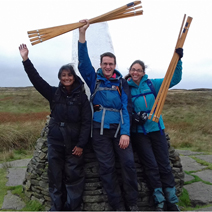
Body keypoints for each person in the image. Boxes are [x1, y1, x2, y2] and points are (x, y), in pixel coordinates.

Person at [19, 44, 92, 211]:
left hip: (74, 145)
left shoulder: (82, 98)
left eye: (69, 75)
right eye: (63, 75)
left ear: (74, 77)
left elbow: (86, 123)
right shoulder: (53, 93)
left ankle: (72, 207)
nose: (66, 78)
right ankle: (56, 208)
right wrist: (25, 59)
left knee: (74, 177)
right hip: (56, 142)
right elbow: (36, 80)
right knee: (55, 176)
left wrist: (81, 145)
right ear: (60, 78)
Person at [77, 20, 139, 211]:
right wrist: (82, 36)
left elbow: (126, 109)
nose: (108, 66)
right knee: (107, 168)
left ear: (115, 65)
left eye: (111, 64)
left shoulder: (121, 83)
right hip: (99, 131)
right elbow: (83, 63)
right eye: (105, 63)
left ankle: (133, 204)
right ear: (101, 64)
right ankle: (117, 206)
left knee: (128, 164)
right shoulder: (94, 78)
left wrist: (126, 133)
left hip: (119, 130)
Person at [125, 48, 183, 211]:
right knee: (150, 166)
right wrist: (133, 117)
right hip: (139, 134)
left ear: (143, 72)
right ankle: (159, 200)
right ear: (130, 71)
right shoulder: (126, 88)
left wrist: (178, 60)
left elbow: (174, 79)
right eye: (133, 69)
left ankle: (171, 200)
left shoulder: (153, 84)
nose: (135, 72)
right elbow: (123, 107)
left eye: (138, 70)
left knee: (164, 164)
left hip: (157, 130)